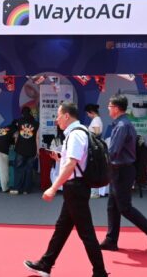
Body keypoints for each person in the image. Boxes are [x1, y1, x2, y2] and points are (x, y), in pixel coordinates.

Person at [23, 102, 108, 277]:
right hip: (77, 187)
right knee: (62, 228)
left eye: (58, 115)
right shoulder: (81, 132)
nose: (57, 120)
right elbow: (75, 161)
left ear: (67, 116)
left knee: (86, 233)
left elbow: (71, 164)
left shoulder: (75, 135)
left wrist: (53, 188)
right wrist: (60, 159)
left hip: (75, 188)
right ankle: (46, 264)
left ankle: (100, 272)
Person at [101, 94, 147, 254]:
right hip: (120, 169)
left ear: (116, 108)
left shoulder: (122, 126)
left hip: (122, 170)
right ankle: (111, 240)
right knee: (112, 206)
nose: (108, 108)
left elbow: (113, 151)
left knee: (124, 208)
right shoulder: (122, 124)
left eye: (109, 106)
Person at [10, 107, 39, 195]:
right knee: (29, 169)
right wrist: (37, 150)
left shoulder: (19, 121)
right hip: (32, 149)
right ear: (30, 112)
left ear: (22, 113)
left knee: (18, 169)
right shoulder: (36, 123)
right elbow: (37, 138)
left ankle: (17, 188)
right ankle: (26, 190)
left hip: (20, 149)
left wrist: (16, 146)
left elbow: (16, 136)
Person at [85, 103, 105, 198]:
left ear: (91, 112)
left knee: (93, 169)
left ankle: (94, 192)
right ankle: (94, 191)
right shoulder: (97, 120)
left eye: (88, 113)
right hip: (95, 147)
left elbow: (96, 134)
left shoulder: (96, 120)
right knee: (94, 169)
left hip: (94, 148)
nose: (87, 115)